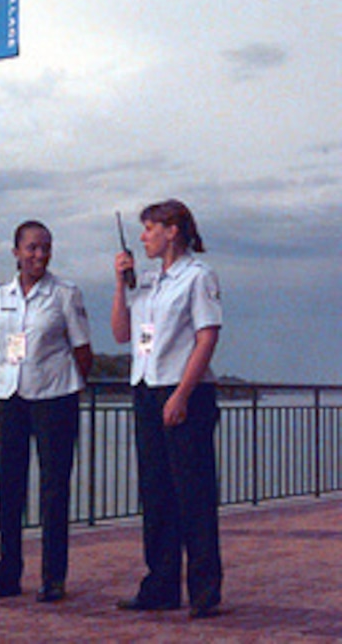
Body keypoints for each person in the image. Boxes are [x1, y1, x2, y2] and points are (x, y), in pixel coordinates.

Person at [111, 199, 223, 619]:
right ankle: (159, 585)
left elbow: (207, 337)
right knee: (156, 493)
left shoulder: (198, 276)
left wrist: (181, 395)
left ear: (172, 230)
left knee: (193, 493)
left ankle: (204, 590)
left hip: (183, 391)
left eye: (149, 229)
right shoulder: (147, 281)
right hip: (146, 388)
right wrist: (121, 286)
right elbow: (123, 335)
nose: (143, 237)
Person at [0, 220, 93, 603]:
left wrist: (61, 381)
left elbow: (82, 350)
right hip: (9, 397)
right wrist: (10, 374)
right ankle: (8, 572)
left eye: (45, 247)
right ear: (16, 252)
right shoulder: (0, 295)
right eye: (32, 248)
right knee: (9, 486)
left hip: (54, 397)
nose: (39, 255)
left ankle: (53, 577)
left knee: (54, 488)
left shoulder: (64, 294)